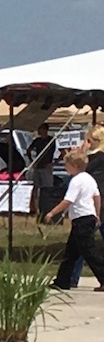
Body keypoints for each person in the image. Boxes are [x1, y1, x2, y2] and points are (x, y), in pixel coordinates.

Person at [45, 147, 104, 290]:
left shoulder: (76, 180)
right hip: (87, 216)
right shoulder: (89, 179)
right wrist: (97, 213)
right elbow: (97, 196)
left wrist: (52, 212)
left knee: (88, 251)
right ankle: (62, 280)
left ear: (75, 166)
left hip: (82, 218)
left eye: (67, 165)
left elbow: (68, 200)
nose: (65, 168)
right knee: (71, 252)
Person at [27, 124, 57, 215]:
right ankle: (36, 209)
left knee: (47, 188)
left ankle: (48, 207)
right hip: (38, 166)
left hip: (46, 167)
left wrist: (54, 163)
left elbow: (62, 151)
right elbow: (28, 150)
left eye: (41, 129)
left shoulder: (51, 140)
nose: (39, 131)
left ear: (45, 130)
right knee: (36, 187)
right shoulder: (37, 140)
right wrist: (32, 161)